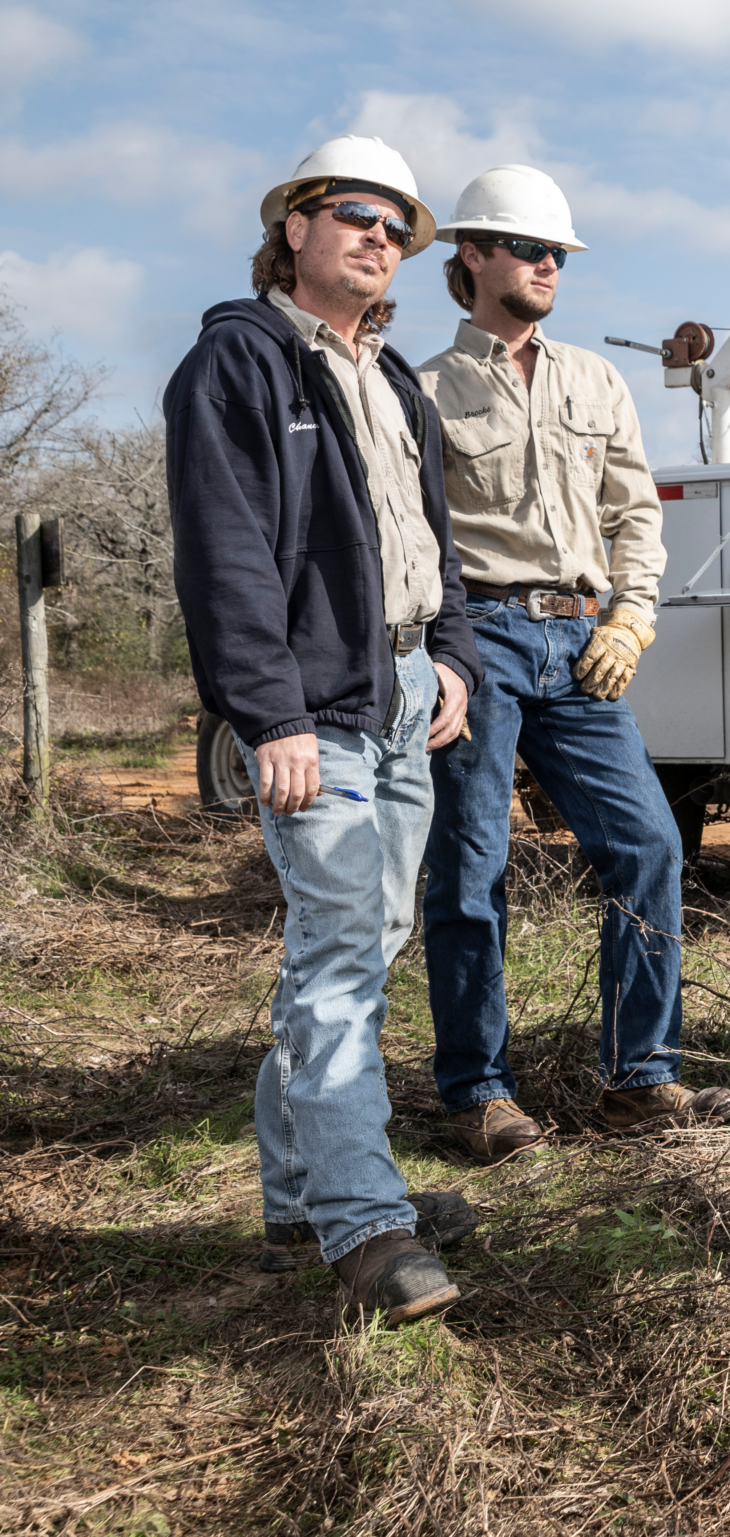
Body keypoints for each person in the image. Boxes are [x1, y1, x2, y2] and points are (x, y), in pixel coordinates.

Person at [165, 135, 482, 1326]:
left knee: (364, 938)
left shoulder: (392, 378)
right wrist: (270, 711)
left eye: (397, 224)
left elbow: (432, 543)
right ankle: (363, 1221)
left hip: (403, 692)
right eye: (351, 212)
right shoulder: (238, 364)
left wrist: (449, 653)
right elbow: (225, 552)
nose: (377, 235)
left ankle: (302, 1192)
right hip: (318, 710)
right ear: (292, 227)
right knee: (342, 952)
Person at [418, 166, 730, 1162]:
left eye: (558, 250)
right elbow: (408, 535)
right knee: (472, 865)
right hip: (478, 633)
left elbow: (634, 512)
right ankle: (477, 1092)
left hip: (583, 637)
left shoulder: (596, 381)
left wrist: (631, 616)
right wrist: (438, 650)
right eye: (528, 246)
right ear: (472, 254)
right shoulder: (422, 388)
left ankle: (638, 1081)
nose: (549, 261)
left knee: (647, 846)